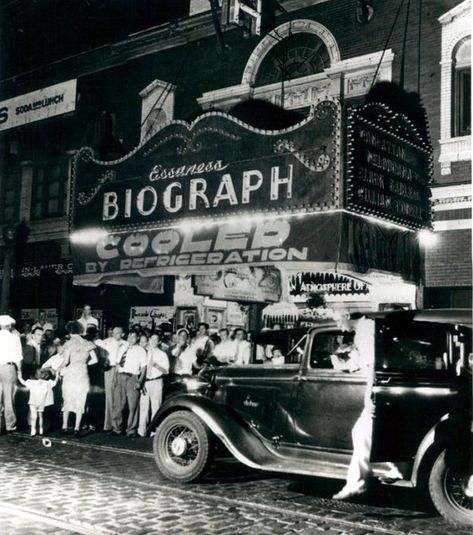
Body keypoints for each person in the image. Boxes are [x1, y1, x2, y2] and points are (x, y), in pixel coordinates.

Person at [333, 314, 403, 500]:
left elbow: (373, 364)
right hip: (387, 386)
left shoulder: (365, 330)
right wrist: (345, 364)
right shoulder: (365, 329)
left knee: (363, 434)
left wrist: (369, 393)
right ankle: (396, 467)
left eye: (339, 319)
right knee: (364, 433)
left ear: (347, 314)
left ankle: (357, 484)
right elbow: (363, 361)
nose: (338, 324)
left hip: (380, 387)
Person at [58, 321, 96, 437]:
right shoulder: (87, 343)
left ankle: (64, 427)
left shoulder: (68, 344)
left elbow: (66, 361)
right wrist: (83, 363)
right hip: (82, 373)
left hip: (71, 373)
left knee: (67, 399)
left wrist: (57, 369)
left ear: (69, 331)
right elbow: (95, 360)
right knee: (81, 400)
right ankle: (77, 428)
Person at [111, 331, 147, 437]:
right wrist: (114, 379)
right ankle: (116, 428)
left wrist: (140, 381)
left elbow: (144, 367)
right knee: (118, 404)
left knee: (133, 406)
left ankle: (131, 430)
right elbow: (117, 364)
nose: (131, 338)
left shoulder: (141, 350)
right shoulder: (122, 348)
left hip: (133, 378)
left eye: (134, 336)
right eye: (129, 336)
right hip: (120, 376)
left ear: (137, 338)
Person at [94, 326, 127, 432]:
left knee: (119, 398)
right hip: (109, 370)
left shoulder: (126, 344)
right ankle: (108, 425)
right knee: (109, 397)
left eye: (118, 333)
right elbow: (97, 342)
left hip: (121, 370)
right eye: (113, 332)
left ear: (122, 334)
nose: (115, 334)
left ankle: (117, 425)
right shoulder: (107, 342)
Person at [138, 333, 169, 437]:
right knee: (143, 407)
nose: (153, 341)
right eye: (152, 339)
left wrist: (156, 365)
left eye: (156, 340)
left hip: (157, 381)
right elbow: (140, 368)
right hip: (146, 382)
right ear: (149, 339)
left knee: (156, 407)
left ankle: (154, 431)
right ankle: (141, 431)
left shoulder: (162, 354)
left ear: (159, 342)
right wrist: (141, 382)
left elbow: (166, 371)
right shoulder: (144, 352)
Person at [18, 368, 58, 436]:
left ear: (36, 375)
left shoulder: (32, 382)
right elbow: (54, 383)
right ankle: (41, 429)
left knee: (34, 417)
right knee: (41, 416)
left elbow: (23, 382)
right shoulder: (47, 383)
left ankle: (33, 430)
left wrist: (19, 376)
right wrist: (57, 376)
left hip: (33, 402)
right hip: (41, 402)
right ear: (46, 375)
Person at [0, 315, 23, 433]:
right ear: (9, 326)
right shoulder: (15, 338)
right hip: (9, 368)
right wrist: (20, 371)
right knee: (8, 397)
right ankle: (10, 425)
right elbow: (18, 358)